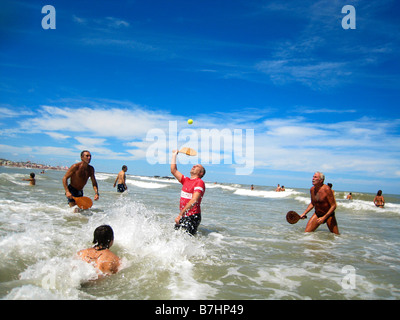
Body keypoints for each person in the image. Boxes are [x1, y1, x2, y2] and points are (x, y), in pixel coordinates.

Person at [171, 149, 206, 236]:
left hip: (193, 216)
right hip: (184, 215)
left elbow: (194, 200)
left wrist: (180, 214)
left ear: (201, 173)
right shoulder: (186, 180)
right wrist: (174, 155)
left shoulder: (199, 182)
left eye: (197, 166)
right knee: (175, 237)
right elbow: (173, 171)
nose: (194, 166)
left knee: (187, 240)